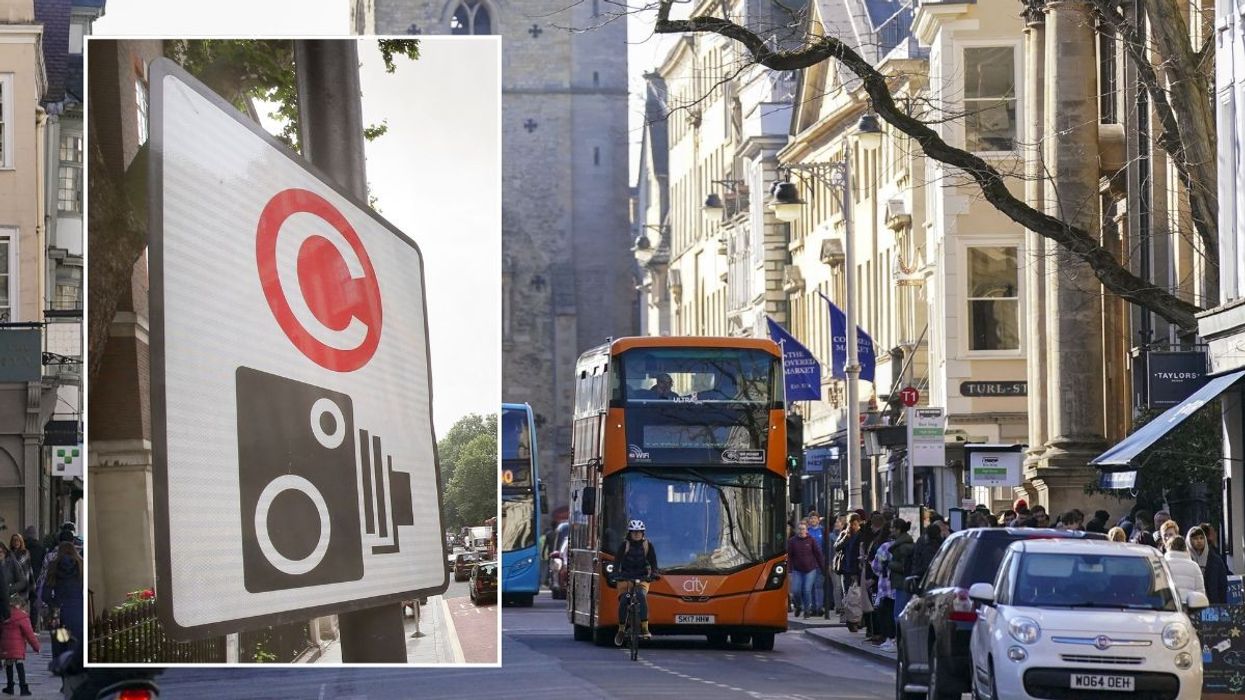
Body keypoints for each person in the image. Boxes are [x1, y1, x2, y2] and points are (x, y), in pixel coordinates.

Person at [612, 520, 659, 645]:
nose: (637, 534)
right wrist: (615, 574)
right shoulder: (624, 545)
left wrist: (654, 574)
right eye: (634, 532)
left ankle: (644, 627)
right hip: (625, 578)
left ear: (643, 533)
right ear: (630, 533)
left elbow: (654, 563)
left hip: (642, 578)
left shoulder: (648, 545)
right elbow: (616, 562)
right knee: (624, 600)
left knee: (641, 596)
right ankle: (621, 629)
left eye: (639, 532)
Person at [43, 542, 82, 659]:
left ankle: (62, 662)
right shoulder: (81, 566)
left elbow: (45, 594)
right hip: (78, 609)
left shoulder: (53, 566)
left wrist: (54, 603)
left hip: (60, 611)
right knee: (77, 640)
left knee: (62, 640)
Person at [787, 523, 824, 619]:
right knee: (795, 591)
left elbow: (818, 554)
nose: (801, 531)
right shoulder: (792, 541)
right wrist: (789, 570)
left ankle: (807, 610)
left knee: (807, 590)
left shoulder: (811, 540)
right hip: (797, 570)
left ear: (807, 530)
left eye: (803, 529)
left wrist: (822, 568)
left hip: (810, 569)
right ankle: (798, 606)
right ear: (797, 530)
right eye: (799, 529)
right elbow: (789, 556)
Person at [0, 598, 36, 696]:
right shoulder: (23, 617)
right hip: (18, 647)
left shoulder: (4, 615)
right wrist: (36, 647)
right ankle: (23, 688)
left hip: (6, 647)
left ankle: (10, 687)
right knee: (19, 666)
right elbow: (30, 634)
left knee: (9, 665)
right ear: (20, 606)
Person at [1188, 526, 1230, 604]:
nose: (1199, 541)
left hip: (1213, 604)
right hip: (1191, 605)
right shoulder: (1186, 560)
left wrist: (1221, 604)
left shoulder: (1215, 560)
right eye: (1195, 538)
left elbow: (1222, 585)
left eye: (1201, 538)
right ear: (1189, 541)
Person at [1164, 536, 1206, 600]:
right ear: (1185, 548)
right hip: (1189, 607)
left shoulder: (1163, 565)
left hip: (1169, 607)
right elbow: (1200, 593)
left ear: (1168, 548)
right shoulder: (1194, 566)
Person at [805, 512, 827, 615]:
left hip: (819, 562)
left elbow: (826, 546)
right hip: (808, 562)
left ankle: (820, 607)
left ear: (818, 520)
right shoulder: (807, 532)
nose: (813, 520)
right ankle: (813, 607)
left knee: (819, 585)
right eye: (811, 519)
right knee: (811, 586)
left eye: (815, 518)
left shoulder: (822, 531)